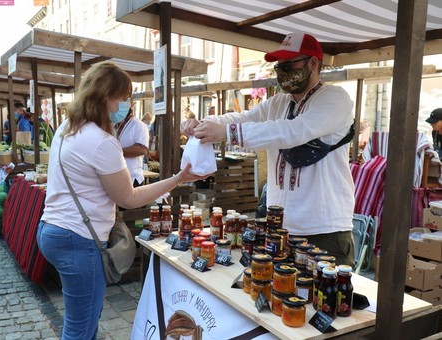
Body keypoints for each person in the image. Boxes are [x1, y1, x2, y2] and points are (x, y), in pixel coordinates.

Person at [36, 61, 207, 339]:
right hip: (78, 239)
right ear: (106, 98)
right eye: (124, 98)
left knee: (84, 319)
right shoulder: (102, 141)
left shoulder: (68, 126)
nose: (125, 105)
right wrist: (176, 179)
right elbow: (129, 197)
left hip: (52, 229)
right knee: (80, 329)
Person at [182, 32, 355, 267]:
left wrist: (229, 133)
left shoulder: (335, 98)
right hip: (281, 228)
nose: (282, 70)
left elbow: (292, 131)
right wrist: (202, 124)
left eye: (289, 63)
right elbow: (242, 117)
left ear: (313, 63)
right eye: (279, 65)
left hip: (324, 229)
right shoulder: (279, 103)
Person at [113, 100, 149, 187]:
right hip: (114, 177)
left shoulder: (138, 125)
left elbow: (142, 150)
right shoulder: (114, 124)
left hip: (132, 179)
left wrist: (115, 152)